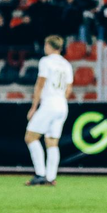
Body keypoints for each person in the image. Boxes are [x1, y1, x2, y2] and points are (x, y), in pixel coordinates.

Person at [24, 35, 73, 187]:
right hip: (62, 105)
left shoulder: (46, 61)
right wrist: (61, 100)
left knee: (30, 137)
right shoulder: (66, 64)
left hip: (49, 103)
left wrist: (34, 107)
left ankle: (40, 174)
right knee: (52, 142)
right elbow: (69, 88)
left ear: (50, 46)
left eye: (46, 45)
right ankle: (50, 177)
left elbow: (40, 84)